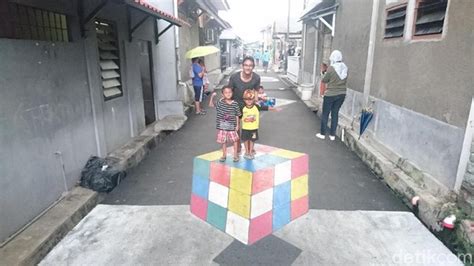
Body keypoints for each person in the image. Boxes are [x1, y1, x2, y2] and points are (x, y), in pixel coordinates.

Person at [316, 50, 348, 141]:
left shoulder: (331, 68)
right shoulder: (345, 67)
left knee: (325, 113)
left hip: (330, 94)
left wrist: (323, 74)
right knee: (335, 113)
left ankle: (322, 133)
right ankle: (332, 135)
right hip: (342, 94)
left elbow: (324, 80)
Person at [240, 89, 279, 160]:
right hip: (245, 128)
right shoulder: (242, 108)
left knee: (252, 140)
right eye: (247, 99)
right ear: (244, 100)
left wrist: (274, 109)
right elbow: (238, 116)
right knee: (245, 140)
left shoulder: (256, 106)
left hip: (254, 128)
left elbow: (265, 107)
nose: (249, 101)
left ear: (253, 100)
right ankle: (246, 152)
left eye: (250, 99)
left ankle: (251, 151)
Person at [209, 86, 242, 162]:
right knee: (223, 142)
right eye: (226, 93)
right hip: (222, 127)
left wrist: (237, 125)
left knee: (235, 140)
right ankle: (224, 155)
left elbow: (237, 115)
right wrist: (212, 97)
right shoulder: (220, 103)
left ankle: (235, 155)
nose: (228, 94)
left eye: (229, 92)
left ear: (232, 93)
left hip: (232, 127)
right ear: (223, 94)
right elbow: (211, 105)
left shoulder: (235, 104)